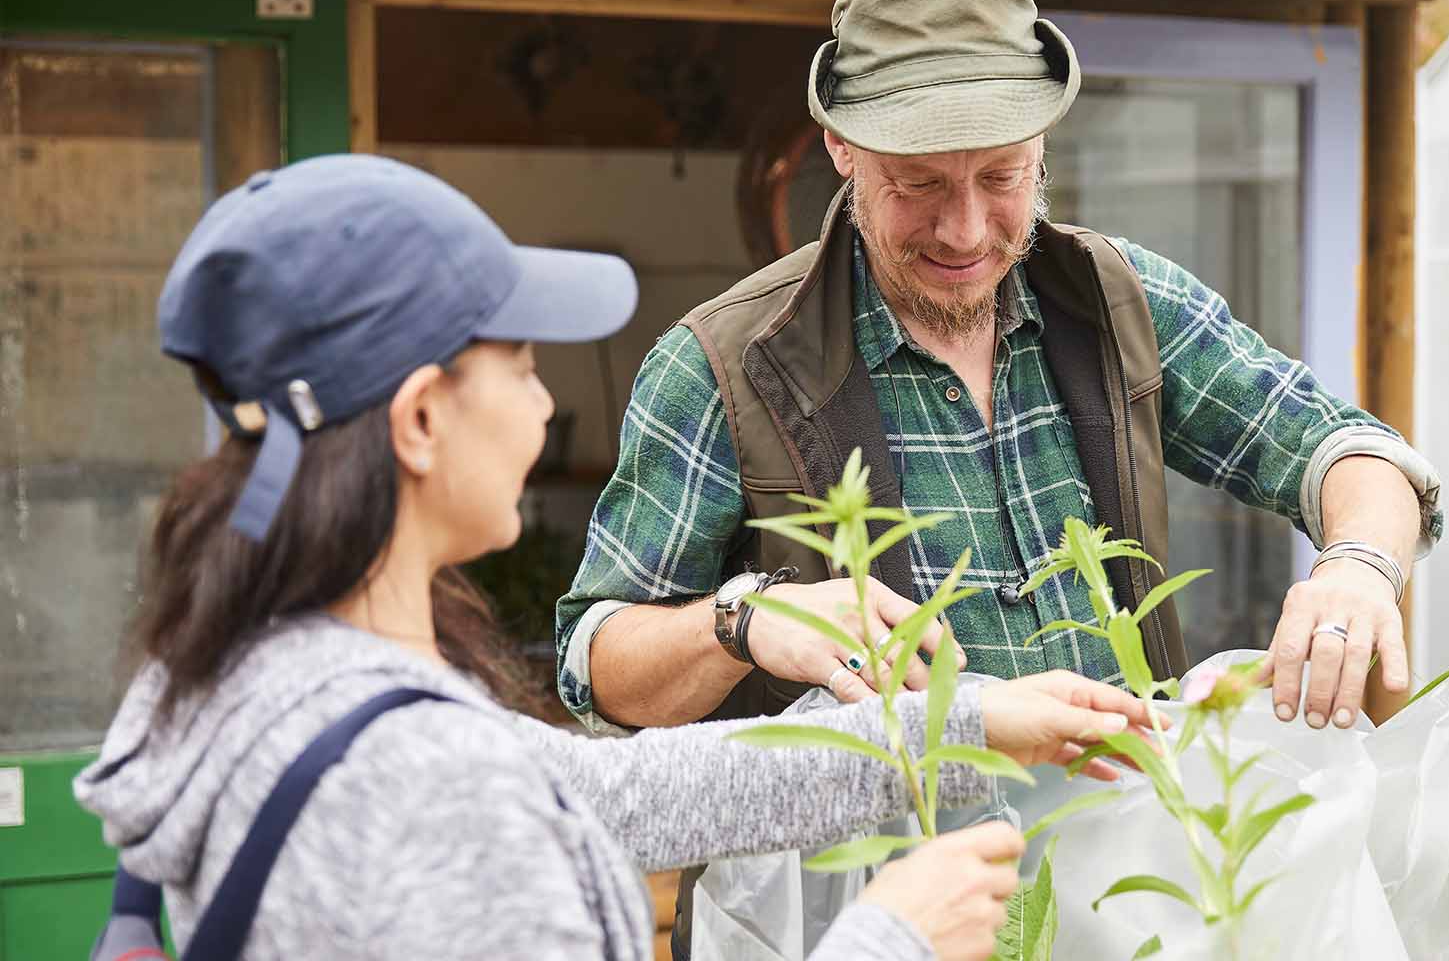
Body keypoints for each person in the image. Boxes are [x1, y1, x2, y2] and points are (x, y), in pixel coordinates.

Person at [74, 155, 1154, 960]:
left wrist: (962, 725)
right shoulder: (415, 783)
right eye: (523, 365)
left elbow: (607, 790)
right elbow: (494, 801)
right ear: (417, 422)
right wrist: (893, 936)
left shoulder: (252, 675)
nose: (546, 405)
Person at [559, 0, 1442, 741]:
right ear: (839, 146)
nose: (967, 230)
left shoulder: (1115, 299)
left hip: (1116, 877)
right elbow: (597, 664)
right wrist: (744, 620)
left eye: (1002, 176)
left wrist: (1359, 570)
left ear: (1044, 145)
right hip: (868, 898)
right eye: (918, 184)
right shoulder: (722, 365)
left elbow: (1352, 451)